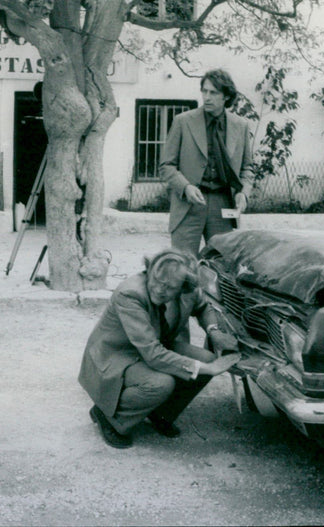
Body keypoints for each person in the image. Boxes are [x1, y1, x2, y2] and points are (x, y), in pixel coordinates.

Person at [78, 249, 240, 449]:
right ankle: (110, 417)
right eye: (156, 280)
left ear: (183, 287)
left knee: (205, 360)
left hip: (154, 345)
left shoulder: (189, 289)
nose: (159, 289)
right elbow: (153, 355)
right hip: (116, 355)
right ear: (151, 270)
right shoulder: (130, 293)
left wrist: (213, 331)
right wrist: (210, 369)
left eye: (169, 287)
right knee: (161, 384)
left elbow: (203, 308)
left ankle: (160, 413)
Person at [159, 69, 255, 256]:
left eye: (214, 93)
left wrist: (244, 193)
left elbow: (247, 168)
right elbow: (166, 165)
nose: (207, 97)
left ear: (226, 96)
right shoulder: (183, 121)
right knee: (182, 267)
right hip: (189, 204)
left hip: (223, 205)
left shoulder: (240, 126)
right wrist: (185, 187)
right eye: (204, 91)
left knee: (221, 267)